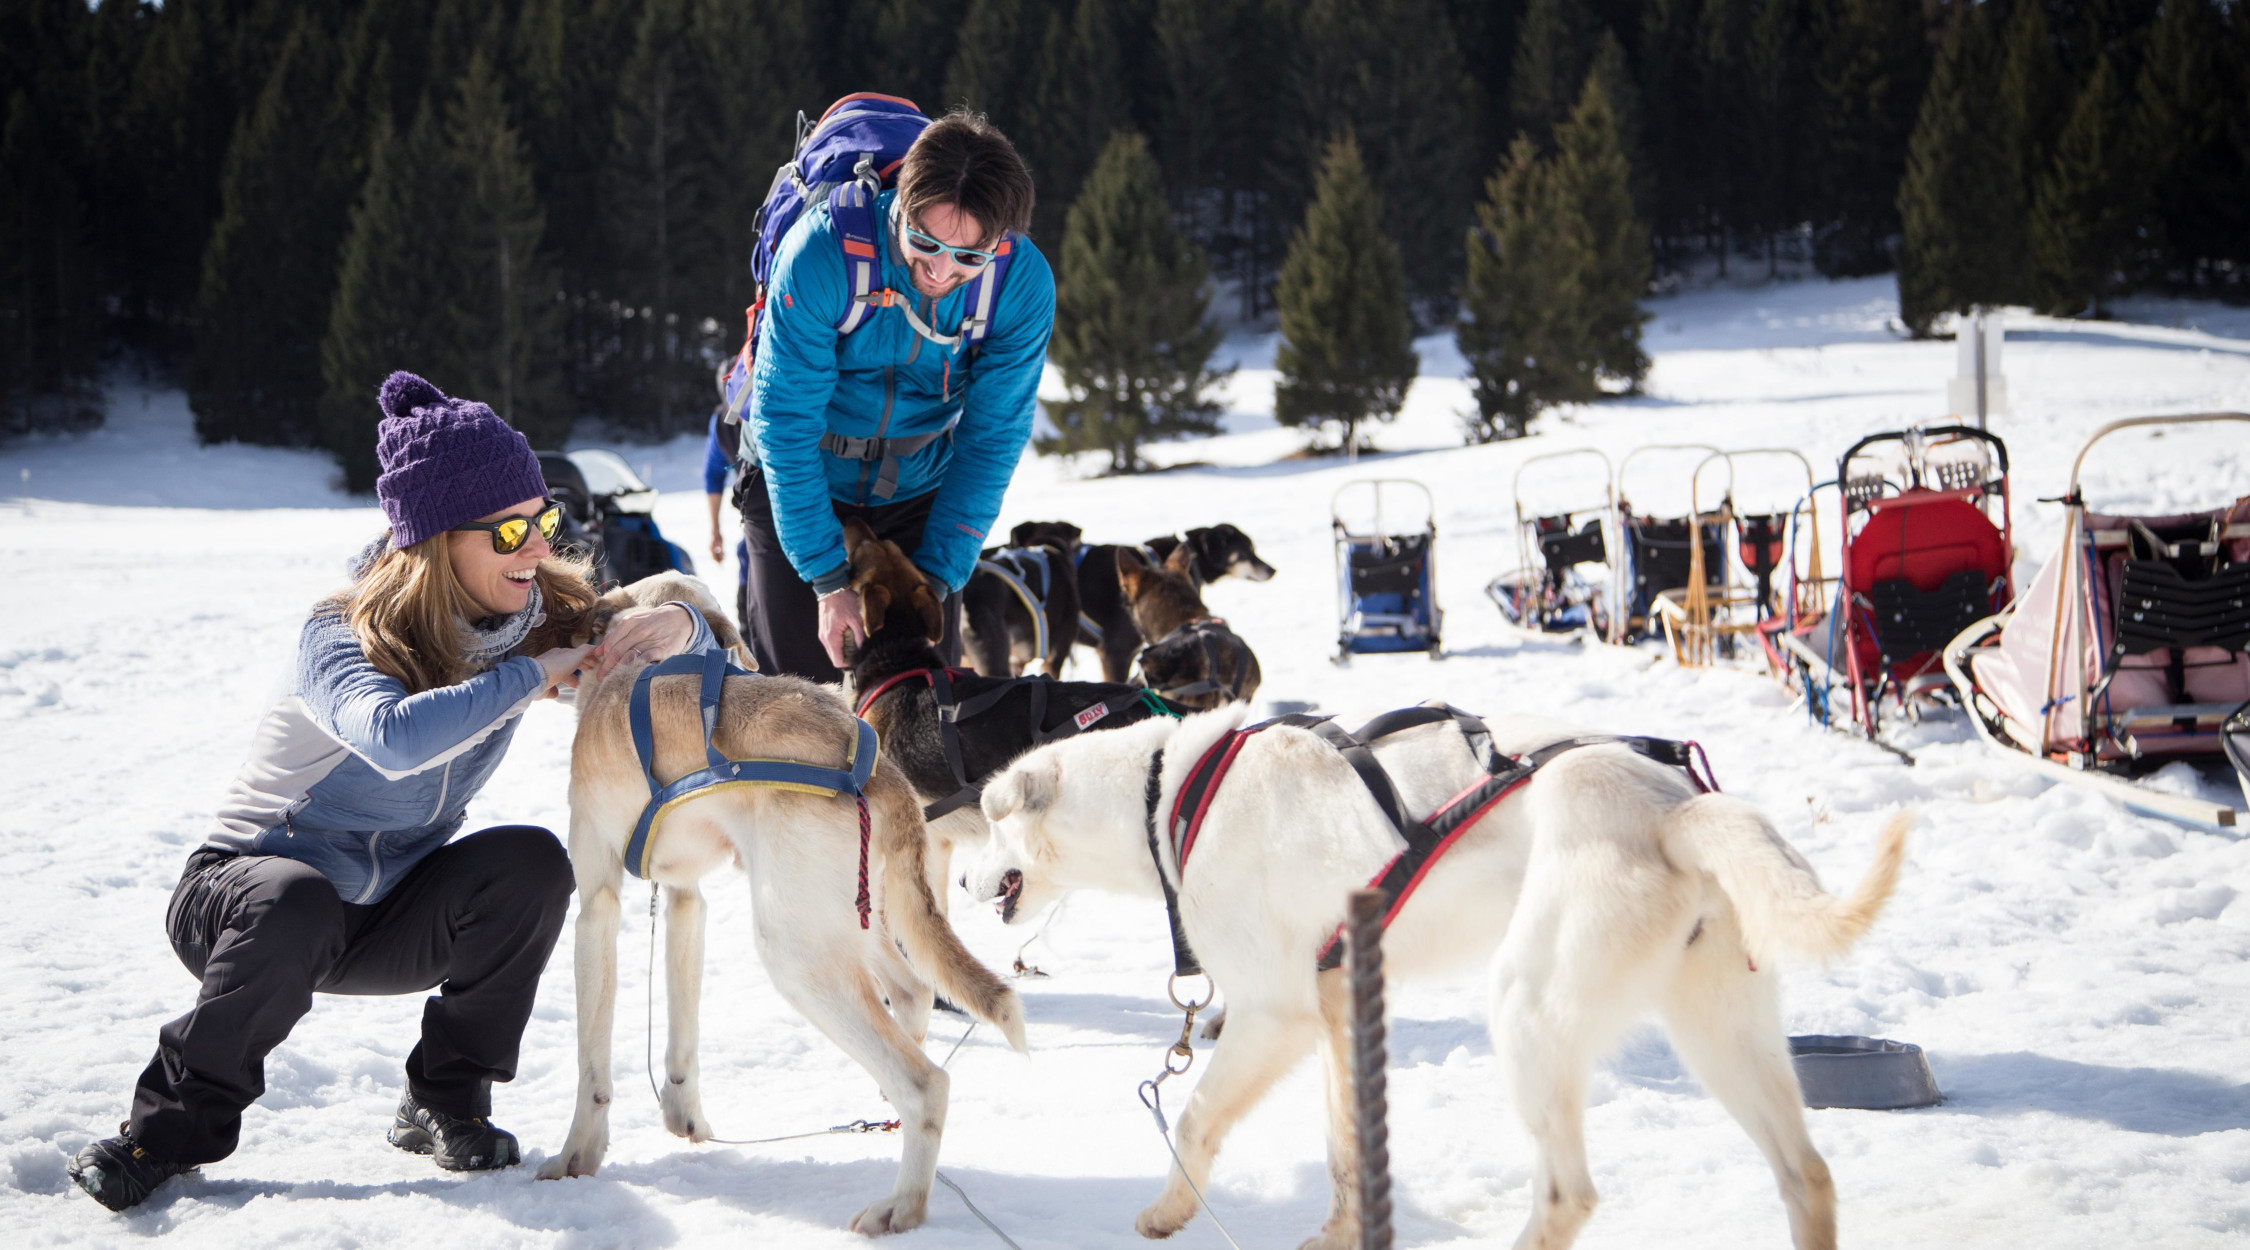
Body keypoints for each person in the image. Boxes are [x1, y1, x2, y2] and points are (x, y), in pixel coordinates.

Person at [69, 372, 717, 1212]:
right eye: (513, 530)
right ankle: (163, 1132)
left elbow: (688, 640)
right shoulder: (340, 632)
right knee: (295, 900)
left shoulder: (536, 608)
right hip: (244, 901)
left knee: (530, 865)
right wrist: (532, 674)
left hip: (387, 910)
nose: (537, 548)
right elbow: (392, 738)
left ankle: (444, 1100)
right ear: (439, 542)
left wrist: (679, 623)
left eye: (546, 519)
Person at [739, 108, 1054, 680]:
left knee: (921, 705)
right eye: (924, 242)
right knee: (798, 698)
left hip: (918, 483)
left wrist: (937, 573)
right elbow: (786, 422)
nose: (938, 272)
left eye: (967, 257)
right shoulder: (823, 254)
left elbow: (992, 438)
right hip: (800, 479)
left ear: (1000, 242)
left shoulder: (1019, 285)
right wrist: (827, 580)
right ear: (900, 205)